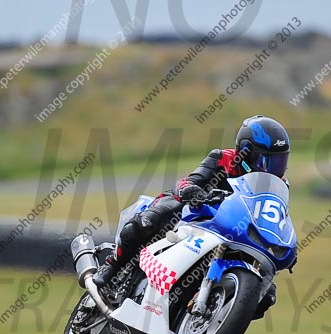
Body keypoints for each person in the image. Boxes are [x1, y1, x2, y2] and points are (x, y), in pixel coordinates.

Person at [93, 115, 291, 312]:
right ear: (245, 152)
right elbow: (189, 181)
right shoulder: (223, 159)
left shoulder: (278, 187)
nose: (271, 170)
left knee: (267, 295)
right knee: (148, 221)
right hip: (196, 212)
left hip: (233, 232)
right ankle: (112, 265)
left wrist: (285, 245)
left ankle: (212, 316)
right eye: (264, 161)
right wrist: (190, 190)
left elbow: (274, 220)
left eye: (279, 162)